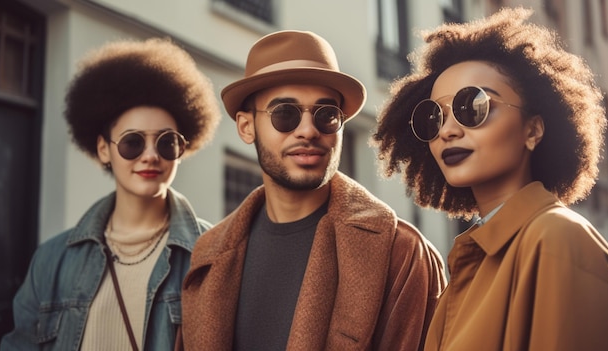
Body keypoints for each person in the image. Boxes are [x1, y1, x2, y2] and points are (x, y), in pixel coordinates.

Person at [178, 30, 446, 351]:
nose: (308, 130)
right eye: (285, 114)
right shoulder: (208, 255)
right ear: (246, 127)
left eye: (327, 115)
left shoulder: (400, 253)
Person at [372, 7, 608, 351]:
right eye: (433, 118)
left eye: (472, 106)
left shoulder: (559, 240)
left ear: (532, 130)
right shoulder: (470, 264)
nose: (448, 131)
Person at [1, 38, 221, 350]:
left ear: (182, 149)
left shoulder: (211, 255)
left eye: (166, 142)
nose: (150, 156)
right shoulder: (52, 262)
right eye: (133, 142)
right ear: (104, 149)